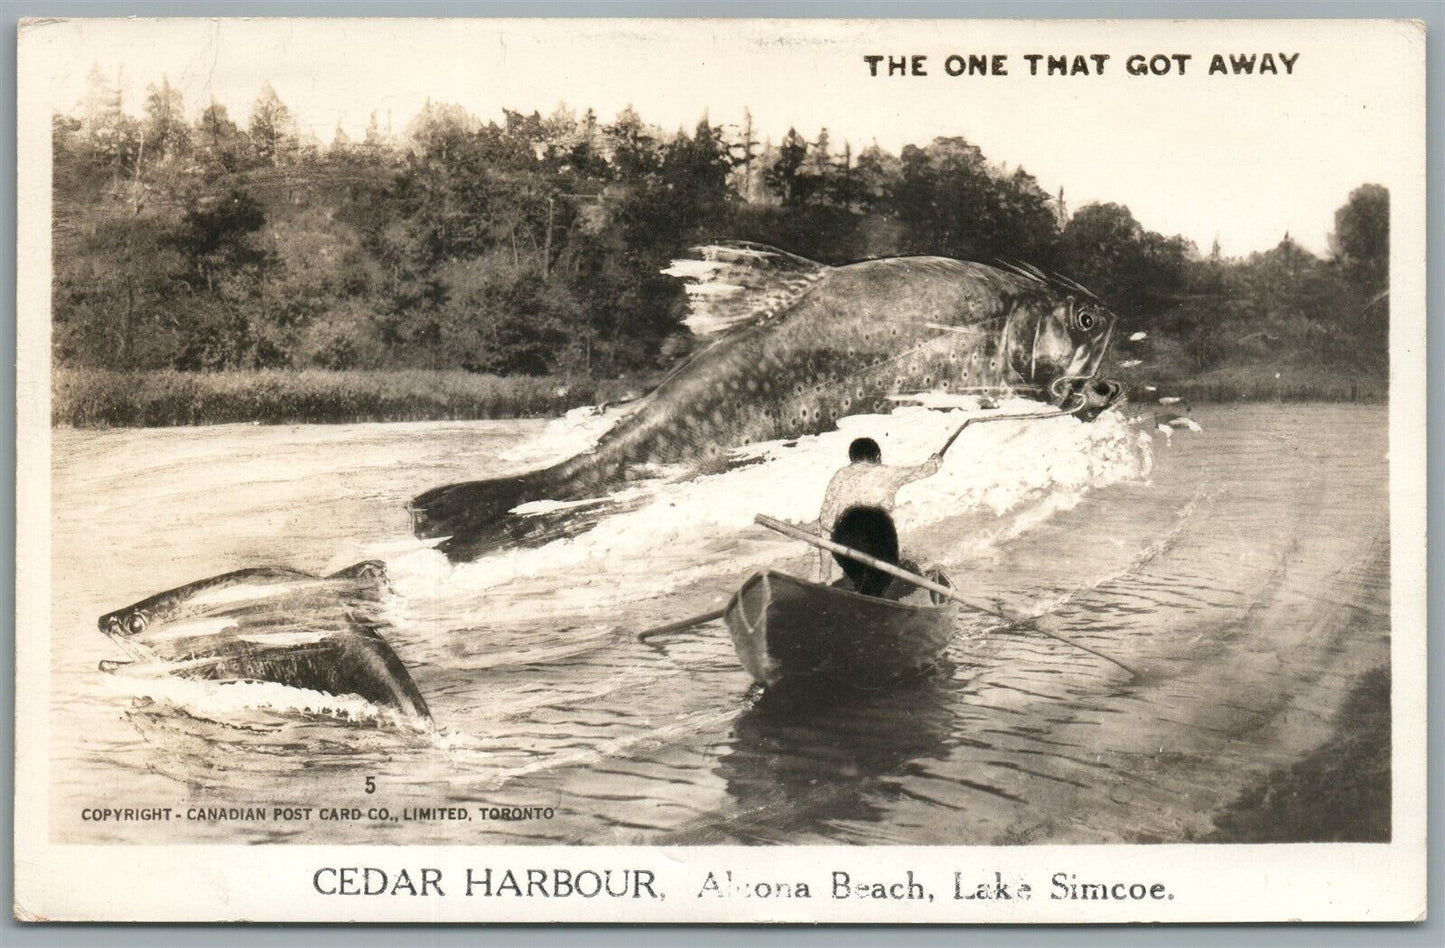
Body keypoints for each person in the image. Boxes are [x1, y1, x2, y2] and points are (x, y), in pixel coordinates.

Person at [816, 437, 948, 596]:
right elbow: (921, 470)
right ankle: (871, 600)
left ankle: (863, 594)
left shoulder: (839, 476)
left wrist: (825, 576)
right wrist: (936, 462)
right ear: (877, 457)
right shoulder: (884, 471)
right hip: (876, 528)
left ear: (852, 458)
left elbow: (826, 522)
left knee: (861, 577)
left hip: (845, 533)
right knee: (883, 575)